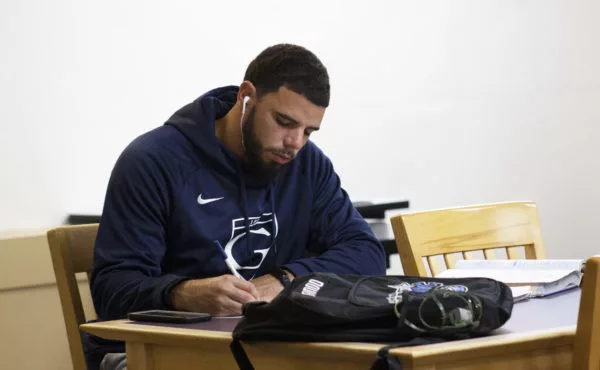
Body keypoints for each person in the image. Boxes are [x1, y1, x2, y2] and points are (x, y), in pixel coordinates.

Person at [86, 43, 386, 369]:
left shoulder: (307, 165)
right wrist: (181, 293)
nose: (295, 143)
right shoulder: (153, 162)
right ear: (247, 96)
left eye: (308, 132)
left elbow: (366, 254)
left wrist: (285, 280)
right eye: (284, 122)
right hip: (154, 351)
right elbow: (111, 292)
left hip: (265, 348)